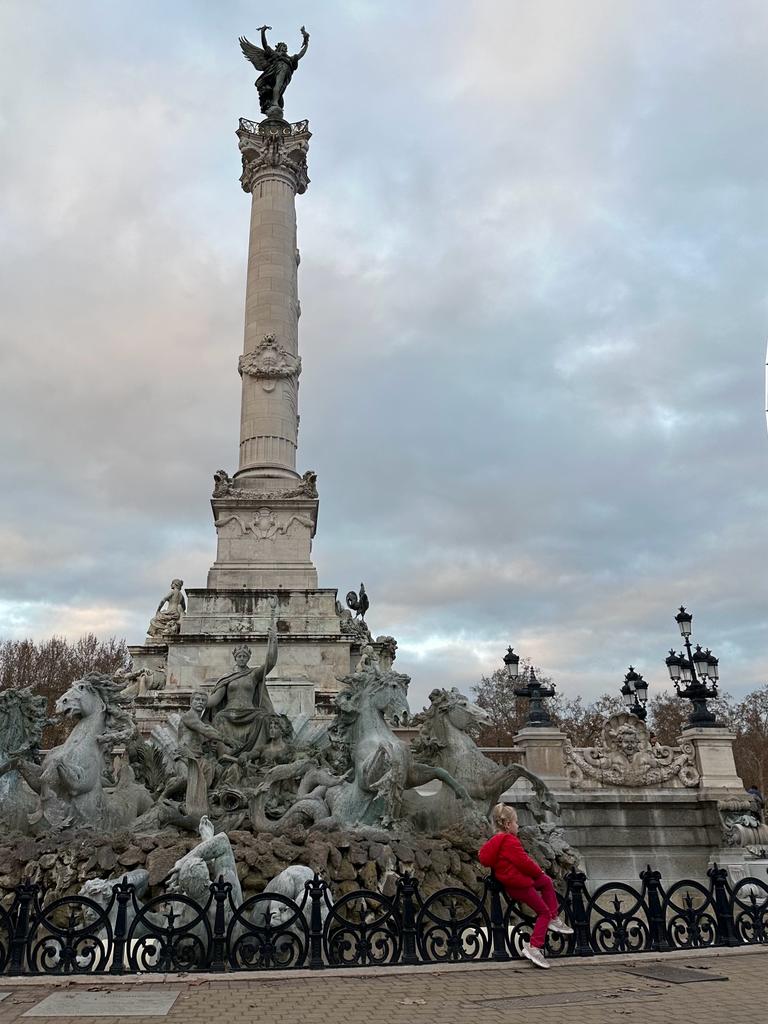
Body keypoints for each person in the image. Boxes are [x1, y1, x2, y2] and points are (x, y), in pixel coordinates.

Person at [478, 803, 573, 969]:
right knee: (543, 912)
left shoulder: (496, 841)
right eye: (516, 822)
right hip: (519, 884)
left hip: (513, 882)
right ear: (508, 824)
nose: (518, 825)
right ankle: (534, 947)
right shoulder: (509, 840)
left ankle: (554, 918)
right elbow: (524, 862)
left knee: (546, 882)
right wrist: (539, 872)